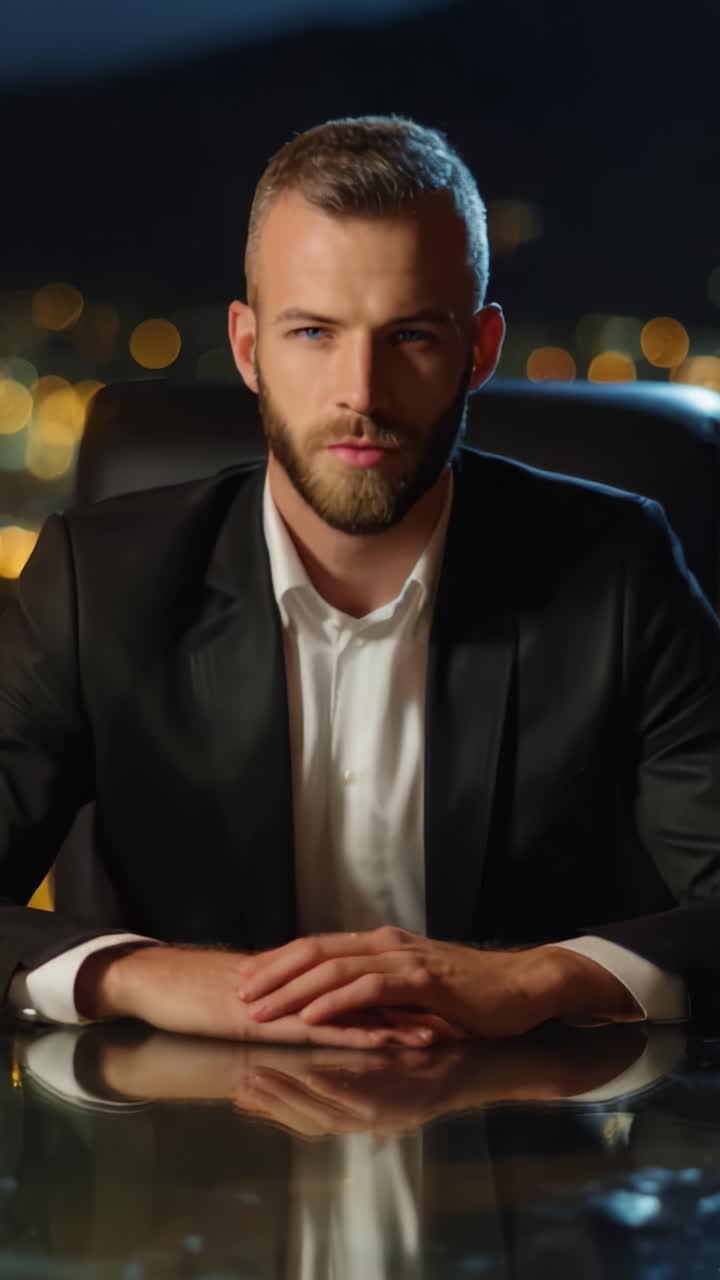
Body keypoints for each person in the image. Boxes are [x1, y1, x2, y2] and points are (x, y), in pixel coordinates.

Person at [1, 116, 719, 1047]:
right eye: (313, 332)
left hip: (528, 1148)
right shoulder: (98, 581)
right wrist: (142, 976)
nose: (362, 393)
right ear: (250, 348)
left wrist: (534, 978)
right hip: (186, 1159)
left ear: (481, 351)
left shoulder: (618, 569)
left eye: (411, 336)